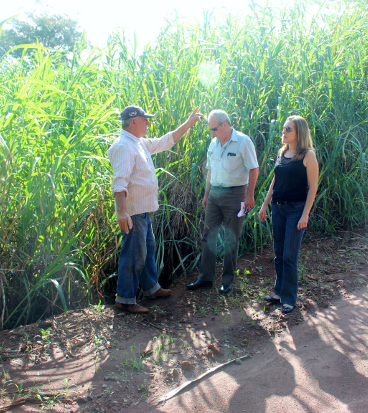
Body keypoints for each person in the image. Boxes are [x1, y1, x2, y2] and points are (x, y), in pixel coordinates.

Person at [109, 105, 203, 313]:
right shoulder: (124, 146)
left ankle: (152, 288)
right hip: (132, 212)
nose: (148, 123)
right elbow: (119, 183)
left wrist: (188, 123)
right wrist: (122, 212)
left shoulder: (138, 143)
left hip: (142, 211)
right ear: (133, 121)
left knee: (147, 251)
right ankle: (125, 299)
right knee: (134, 254)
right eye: (145, 120)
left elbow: (166, 141)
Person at [187, 110, 259, 294]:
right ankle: (205, 278)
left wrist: (249, 195)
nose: (211, 132)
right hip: (214, 195)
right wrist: (206, 195)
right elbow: (210, 171)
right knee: (207, 235)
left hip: (237, 195)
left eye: (214, 128)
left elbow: (253, 169)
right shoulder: (214, 143)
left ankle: (227, 281)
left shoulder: (244, 141)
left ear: (225, 125)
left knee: (231, 238)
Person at [258, 115, 319, 313]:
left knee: (290, 257)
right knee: (279, 254)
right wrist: (265, 205)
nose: (283, 131)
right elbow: (274, 182)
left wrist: (305, 214)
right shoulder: (282, 152)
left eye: (288, 129)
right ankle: (278, 292)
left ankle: (290, 298)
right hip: (278, 208)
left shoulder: (308, 155)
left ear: (299, 132)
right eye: (284, 128)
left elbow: (313, 187)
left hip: (296, 211)